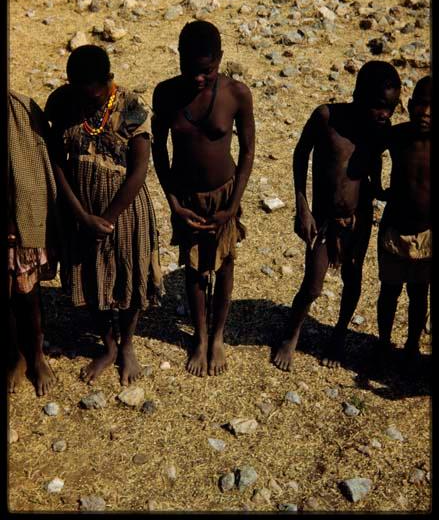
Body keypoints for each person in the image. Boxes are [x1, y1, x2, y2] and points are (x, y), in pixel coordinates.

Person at [45, 45, 162, 386]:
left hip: (124, 210)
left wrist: (107, 218)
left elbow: (139, 171)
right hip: (79, 208)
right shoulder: (62, 103)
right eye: (81, 92)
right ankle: (107, 346)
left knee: (129, 274)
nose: (89, 100)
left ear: (109, 81)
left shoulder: (132, 107)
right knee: (88, 276)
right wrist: (82, 215)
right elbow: (57, 163)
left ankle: (126, 343)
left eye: (95, 95)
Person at [273, 61, 401, 372]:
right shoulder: (327, 117)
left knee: (353, 278)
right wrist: (301, 204)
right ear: (358, 95)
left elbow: (396, 156)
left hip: (357, 219)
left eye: (392, 108)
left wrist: (383, 187)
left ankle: (339, 335)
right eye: (379, 106)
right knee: (313, 285)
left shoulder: (381, 132)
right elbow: (301, 153)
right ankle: (291, 334)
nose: (385, 114)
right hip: (323, 219)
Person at [152, 20, 255, 377]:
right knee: (195, 268)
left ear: (221, 60)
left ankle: (218, 336)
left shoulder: (236, 94)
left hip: (225, 192)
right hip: (186, 196)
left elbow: (247, 152)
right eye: (191, 70)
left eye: (207, 71)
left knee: (224, 263)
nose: (198, 79)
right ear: (179, 59)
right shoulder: (165, 94)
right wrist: (173, 202)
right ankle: (199, 336)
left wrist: (232, 204)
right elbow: (159, 151)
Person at [375, 75, 431, 370]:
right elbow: (370, 151)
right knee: (389, 290)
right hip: (394, 228)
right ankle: (383, 343)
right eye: (420, 103)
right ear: (409, 105)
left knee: (419, 292)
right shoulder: (397, 136)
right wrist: (377, 186)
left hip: (426, 234)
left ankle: (411, 345)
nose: (426, 112)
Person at [8, 90, 59, 396]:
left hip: (22, 227)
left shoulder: (23, 110)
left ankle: (37, 355)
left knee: (28, 297)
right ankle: (15, 355)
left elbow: (43, 169)